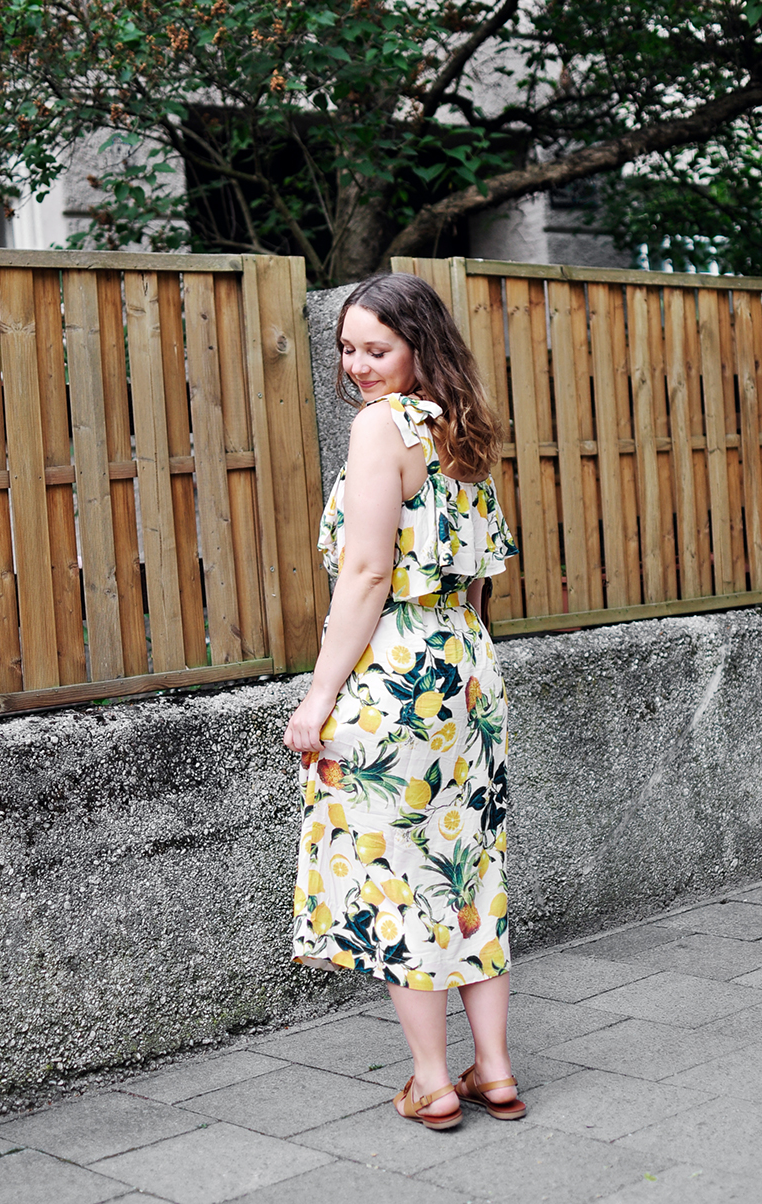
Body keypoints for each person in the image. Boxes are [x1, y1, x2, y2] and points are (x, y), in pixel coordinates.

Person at [283, 272, 525, 1130]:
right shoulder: (461, 426)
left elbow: (367, 572)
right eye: (347, 348)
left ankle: (433, 1081)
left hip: (396, 669)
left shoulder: (380, 427)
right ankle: (493, 1068)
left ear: (420, 345)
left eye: (376, 349)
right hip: (467, 664)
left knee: (396, 872)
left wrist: (317, 699)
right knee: (468, 864)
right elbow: (479, 573)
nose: (357, 365)